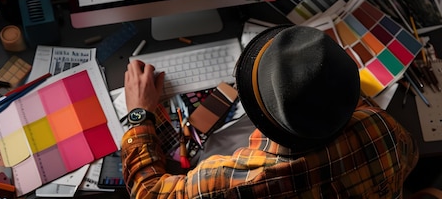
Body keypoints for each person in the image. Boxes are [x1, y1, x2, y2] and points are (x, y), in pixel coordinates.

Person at [122, 25, 419, 198]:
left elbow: (148, 192)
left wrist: (139, 112)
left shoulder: (234, 183)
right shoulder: (383, 130)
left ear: (261, 121)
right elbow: (411, 157)